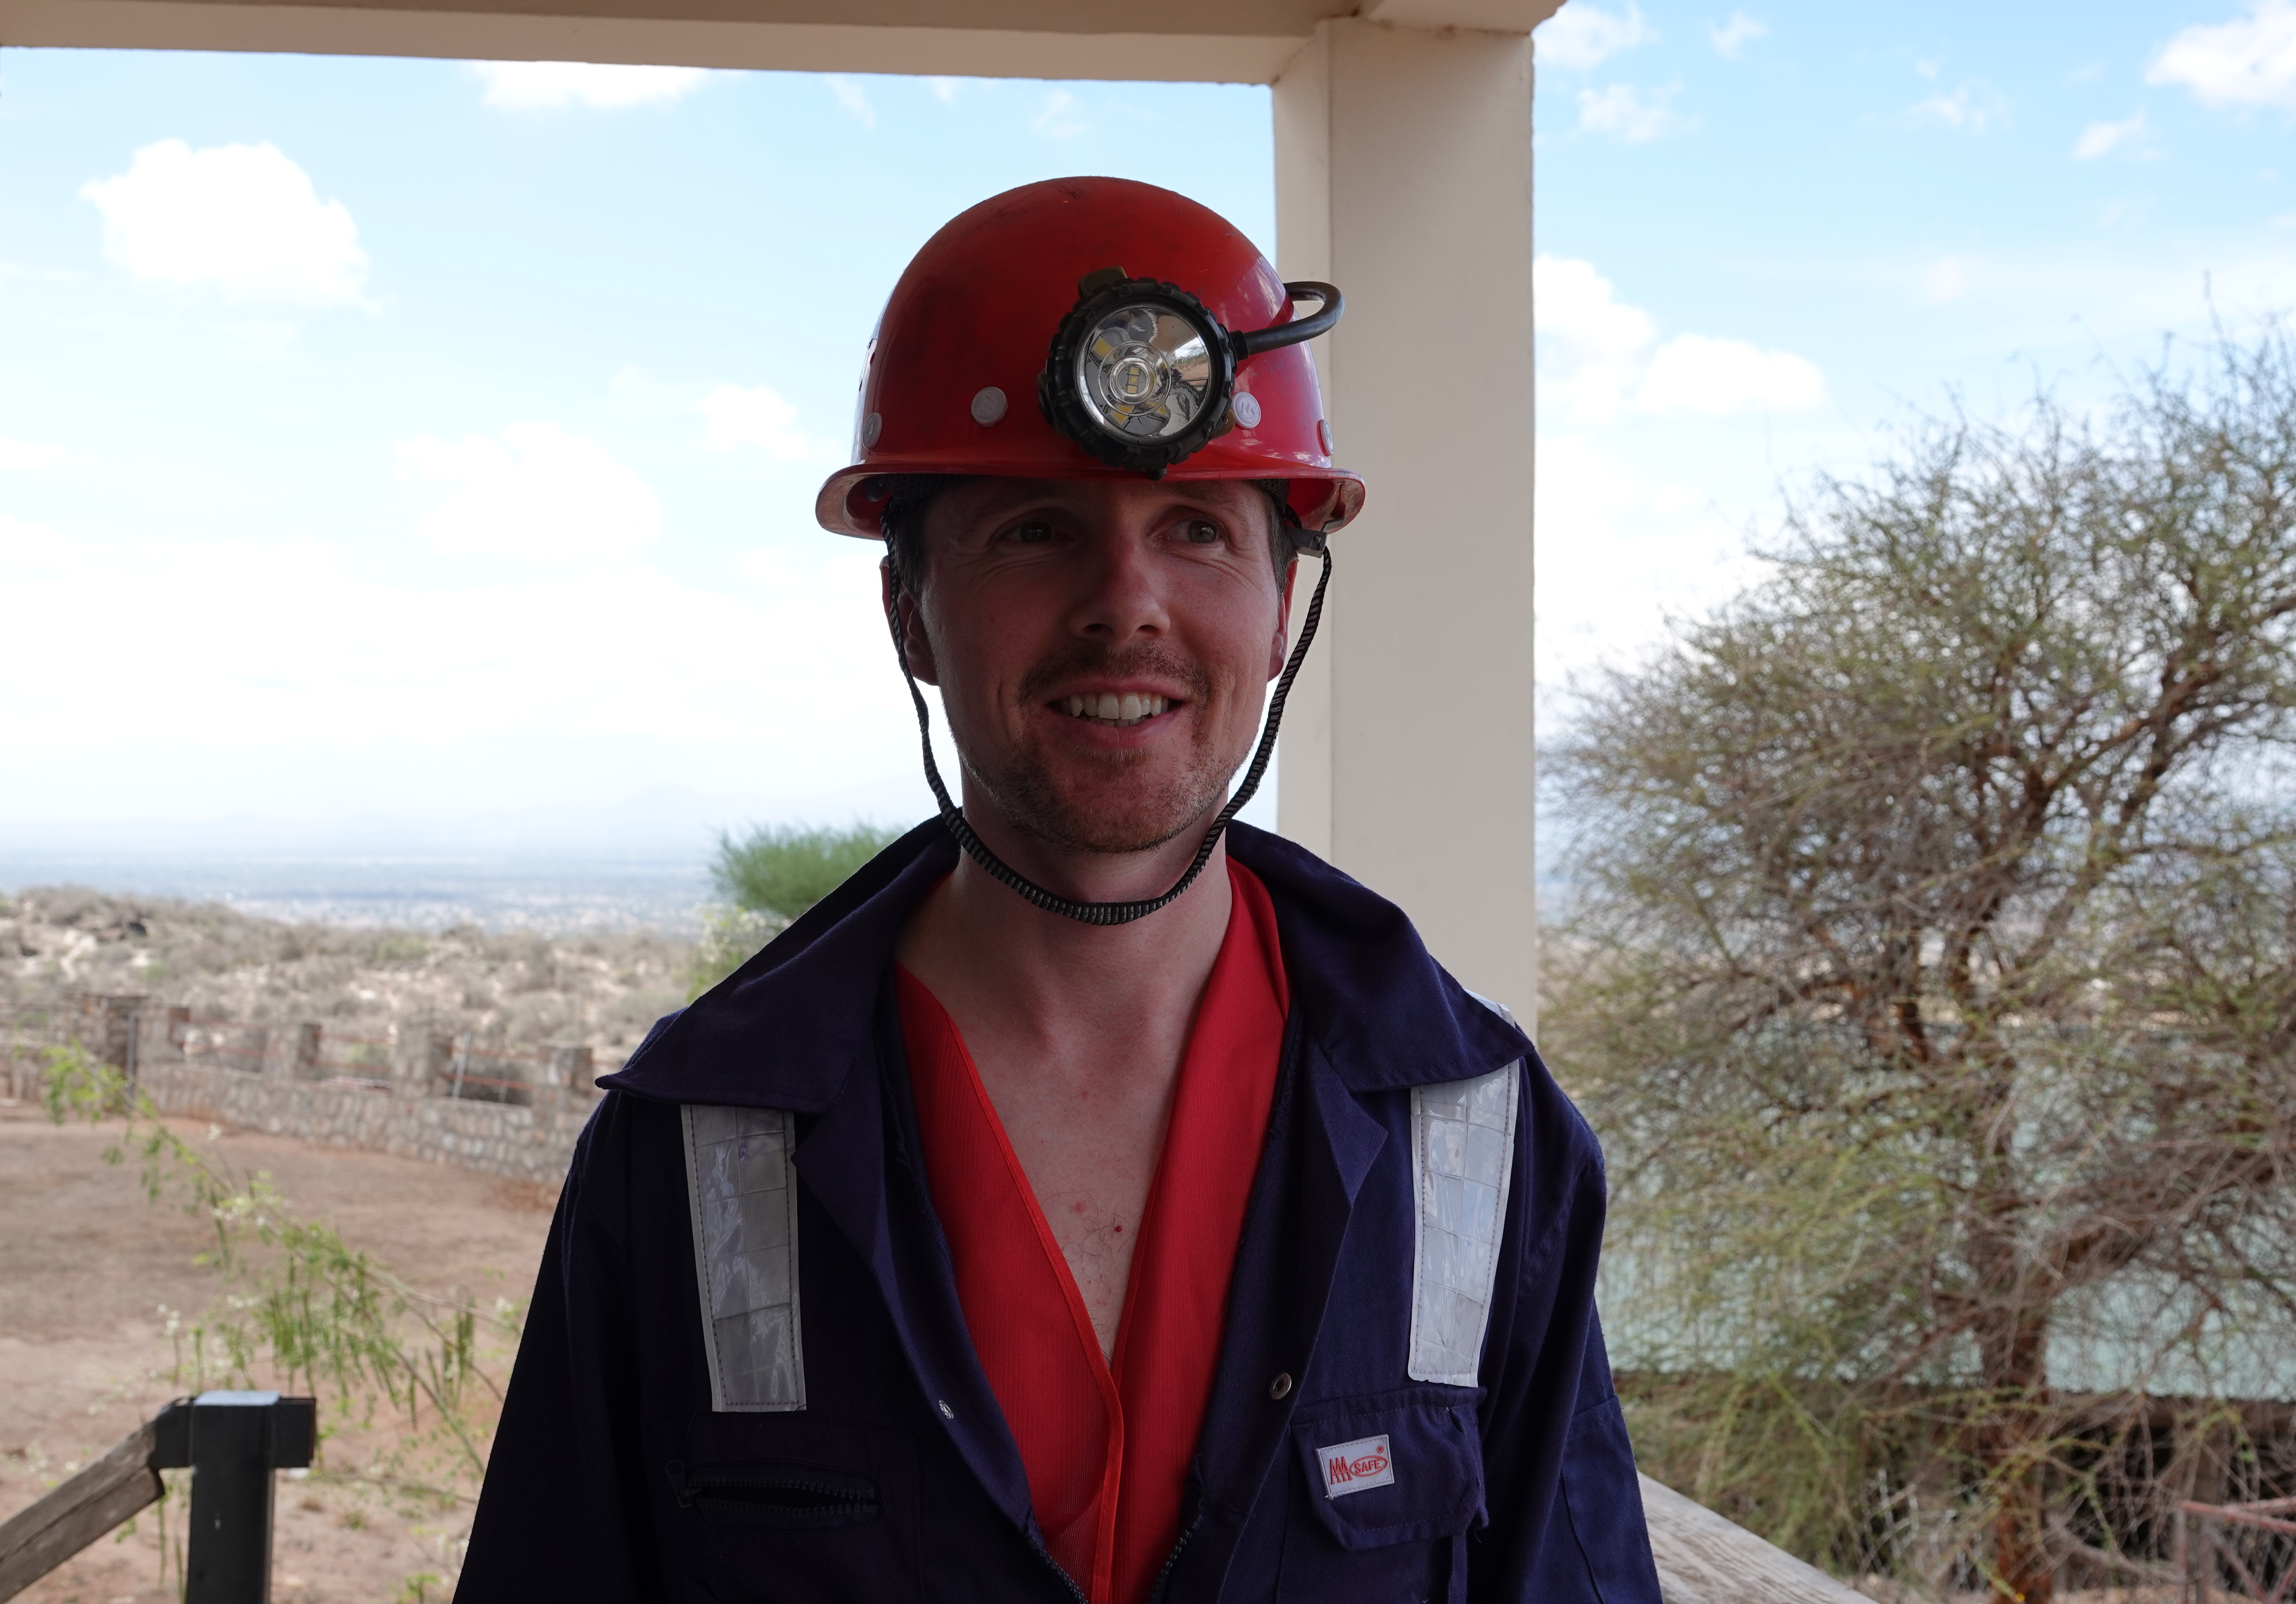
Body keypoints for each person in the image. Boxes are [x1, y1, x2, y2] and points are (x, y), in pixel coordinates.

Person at [456, 176, 1662, 1604]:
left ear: (1283, 605)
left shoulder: (1476, 1143)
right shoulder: (694, 1154)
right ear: (909, 612)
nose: (1125, 604)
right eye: (1036, 529)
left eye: (1198, 530)